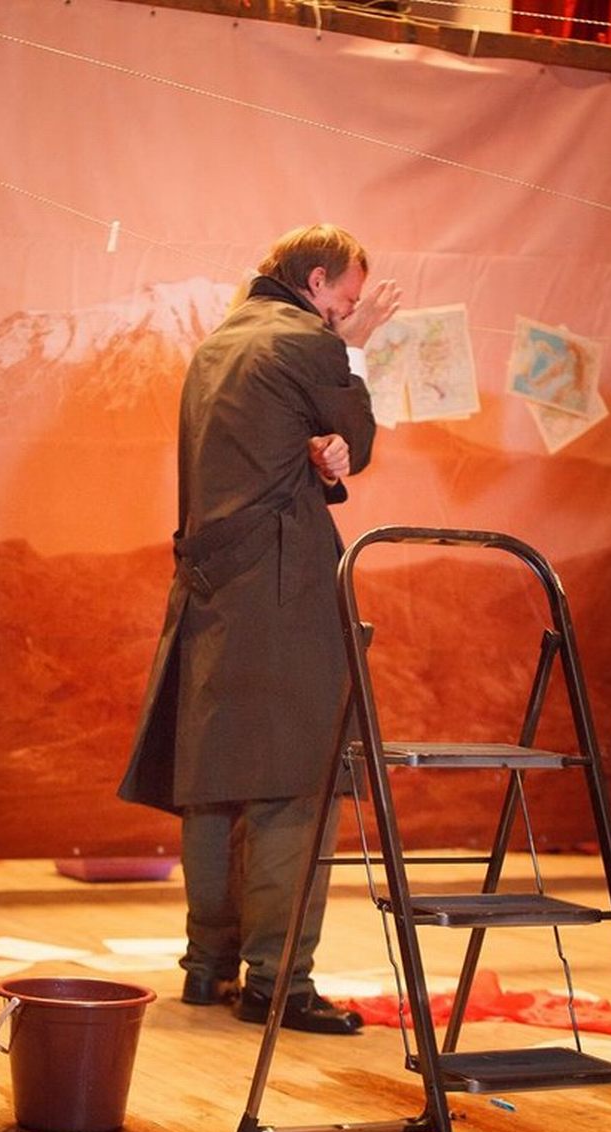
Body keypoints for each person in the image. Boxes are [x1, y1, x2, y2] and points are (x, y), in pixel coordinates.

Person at [118, 224, 400, 1033]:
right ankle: (278, 983)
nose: (349, 310)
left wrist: (316, 456)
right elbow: (363, 440)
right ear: (316, 284)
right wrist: (354, 345)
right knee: (294, 783)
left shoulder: (219, 344)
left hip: (211, 589)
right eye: (346, 298)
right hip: (279, 592)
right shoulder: (308, 342)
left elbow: (267, 449)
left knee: (215, 784)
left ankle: (206, 965)